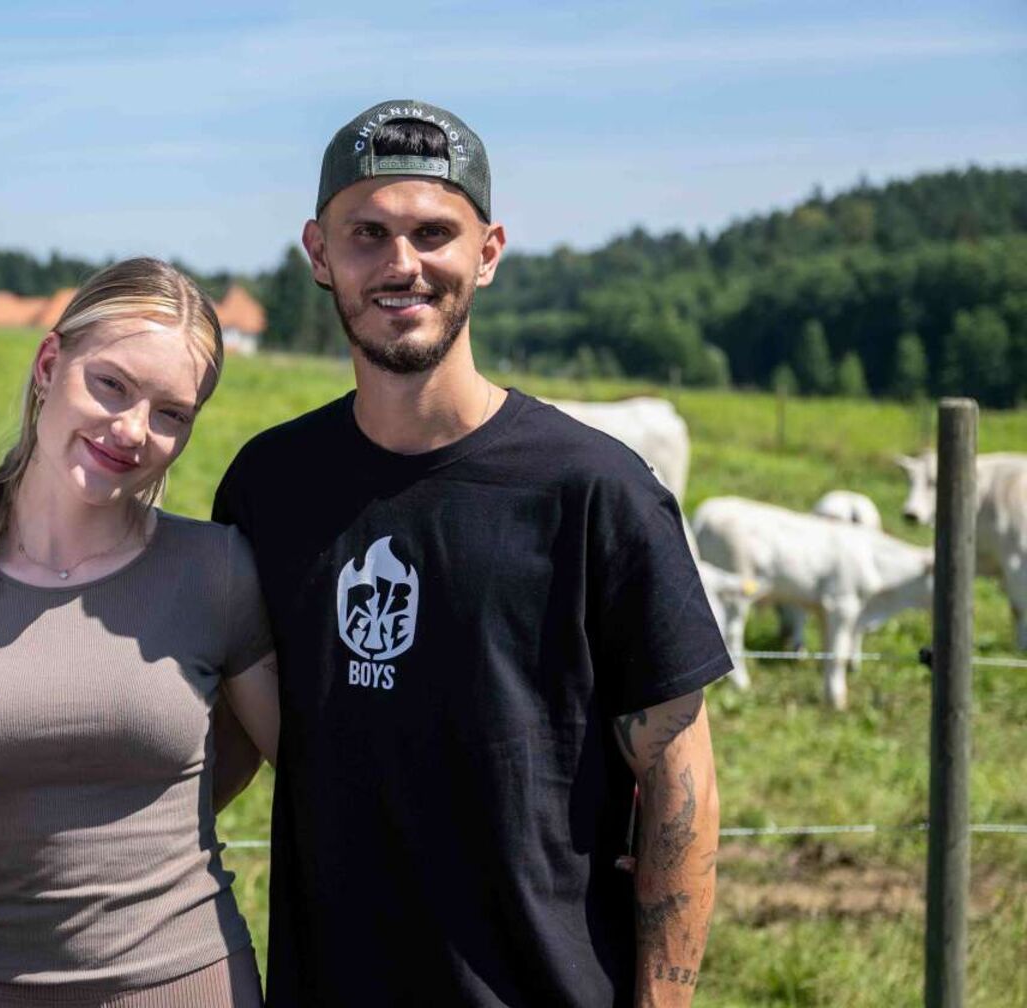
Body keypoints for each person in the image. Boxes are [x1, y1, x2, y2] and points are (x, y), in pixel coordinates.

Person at [211, 99, 727, 1006]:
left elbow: (681, 787)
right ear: (318, 252)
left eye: (433, 233)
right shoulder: (269, 488)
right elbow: (233, 737)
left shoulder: (595, 492)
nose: (401, 264)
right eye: (366, 233)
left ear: (487, 253)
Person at [0, 258, 281, 1008]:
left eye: (171, 414)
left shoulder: (216, 570)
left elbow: (318, 776)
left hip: (193, 987)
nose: (131, 431)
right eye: (111, 385)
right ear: (50, 363)